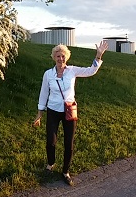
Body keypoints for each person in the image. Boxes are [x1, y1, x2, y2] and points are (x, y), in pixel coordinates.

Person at [33, 40, 108, 186]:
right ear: (54, 57)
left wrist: (98, 56)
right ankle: (51, 164)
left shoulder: (72, 71)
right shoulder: (48, 74)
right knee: (51, 141)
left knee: (69, 143)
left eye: (63, 56)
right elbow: (43, 93)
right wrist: (39, 114)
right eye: (58, 56)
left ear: (66, 57)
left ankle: (65, 171)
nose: (61, 59)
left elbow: (90, 71)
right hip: (53, 111)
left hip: (69, 111)